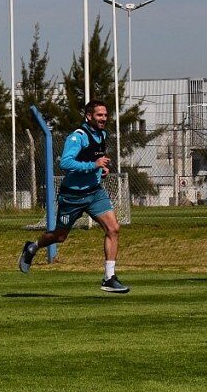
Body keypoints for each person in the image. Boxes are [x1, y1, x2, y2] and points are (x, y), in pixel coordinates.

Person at [17, 100, 129, 294]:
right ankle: (32, 247)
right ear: (88, 116)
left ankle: (109, 277)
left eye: (105, 115)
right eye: (99, 115)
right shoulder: (77, 137)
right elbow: (66, 163)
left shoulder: (102, 134)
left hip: (95, 192)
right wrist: (92, 165)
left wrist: (100, 169)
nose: (103, 118)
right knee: (59, 236)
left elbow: (94, 160)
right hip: (73, 196)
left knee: (114, 228)